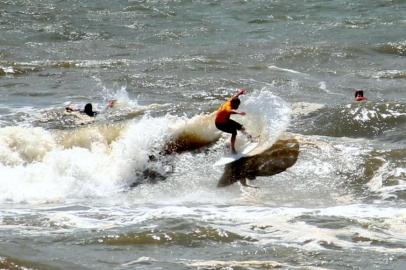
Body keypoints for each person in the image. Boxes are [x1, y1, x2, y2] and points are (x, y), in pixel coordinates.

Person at [215, 89, 252, 154]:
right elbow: (231, 111)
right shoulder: (228, 107)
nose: (237, 107)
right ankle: (233, 149)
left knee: (241, 127)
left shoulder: (231, 101)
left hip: (226, 120)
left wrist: (240, 92)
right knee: (234, 132)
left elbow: (235, 96)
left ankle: (250, 139)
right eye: (237, 105)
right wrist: (239, 113)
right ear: (234, 104)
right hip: (220, 124)